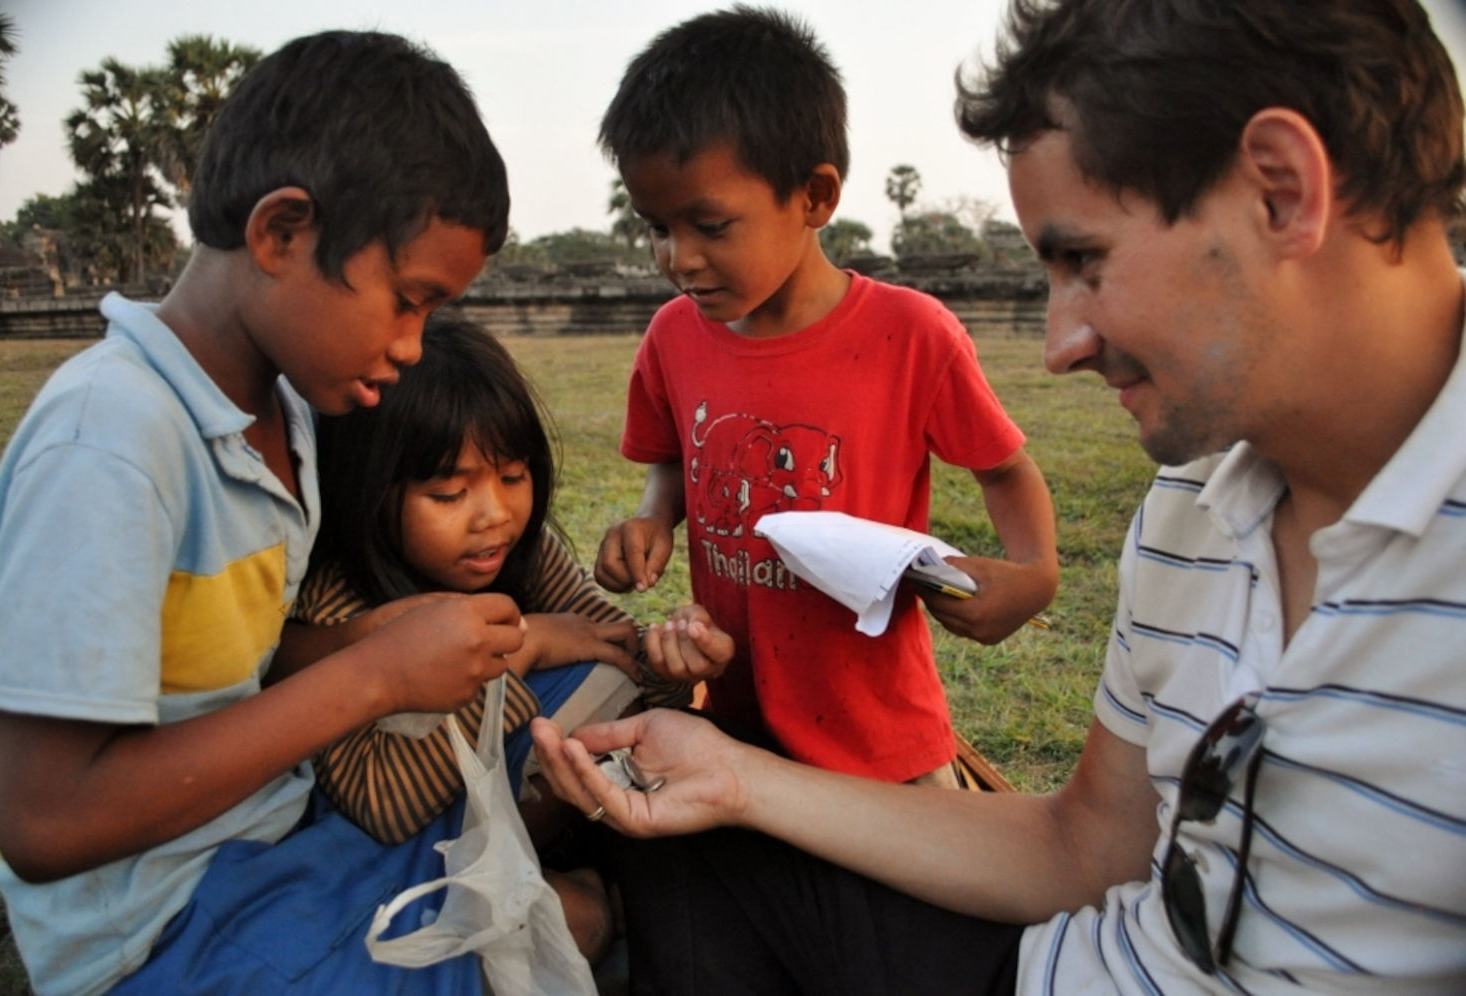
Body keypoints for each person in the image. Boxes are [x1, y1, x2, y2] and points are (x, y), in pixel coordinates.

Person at [532, 0, 1466, 991]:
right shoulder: (1198, 504)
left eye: (1084, 261)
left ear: (1282, 191)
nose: (1059, 344)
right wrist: (736, 778)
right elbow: (1083, 852)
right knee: (676, 858)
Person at [0, 31, 520, 995]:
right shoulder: (110, 445)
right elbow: (44, 821)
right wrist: (374, 680)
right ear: (282, 233)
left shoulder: (285, 410)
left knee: (561, 806)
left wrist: (355, 642)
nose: (412, 345)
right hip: (160, 925)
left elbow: (218, 667)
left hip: (268, 839)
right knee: (521, 950)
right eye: (407, 301)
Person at [593, 6, 1059, 787]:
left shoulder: (910, 335)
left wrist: (1035, 571)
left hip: (880, 735)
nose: (678, 258)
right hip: (739, 722)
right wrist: (652, 518)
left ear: (814, 196)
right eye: (657, 227)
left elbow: (1003, 469)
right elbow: (673, 457)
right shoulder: (673, 339)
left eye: (710, 224)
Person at [287, 312, 691, 961]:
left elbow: (615, 653)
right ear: (371, 489)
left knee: (609, 681)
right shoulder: (339, 604)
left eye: (512, 477)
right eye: (449, 493)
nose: (495, 516)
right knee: (575, 920)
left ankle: (592, 882)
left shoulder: (524, 556)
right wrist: (518, 648)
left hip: (524, 831)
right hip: (401, 863)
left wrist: (671, 660)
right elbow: (380, 807)